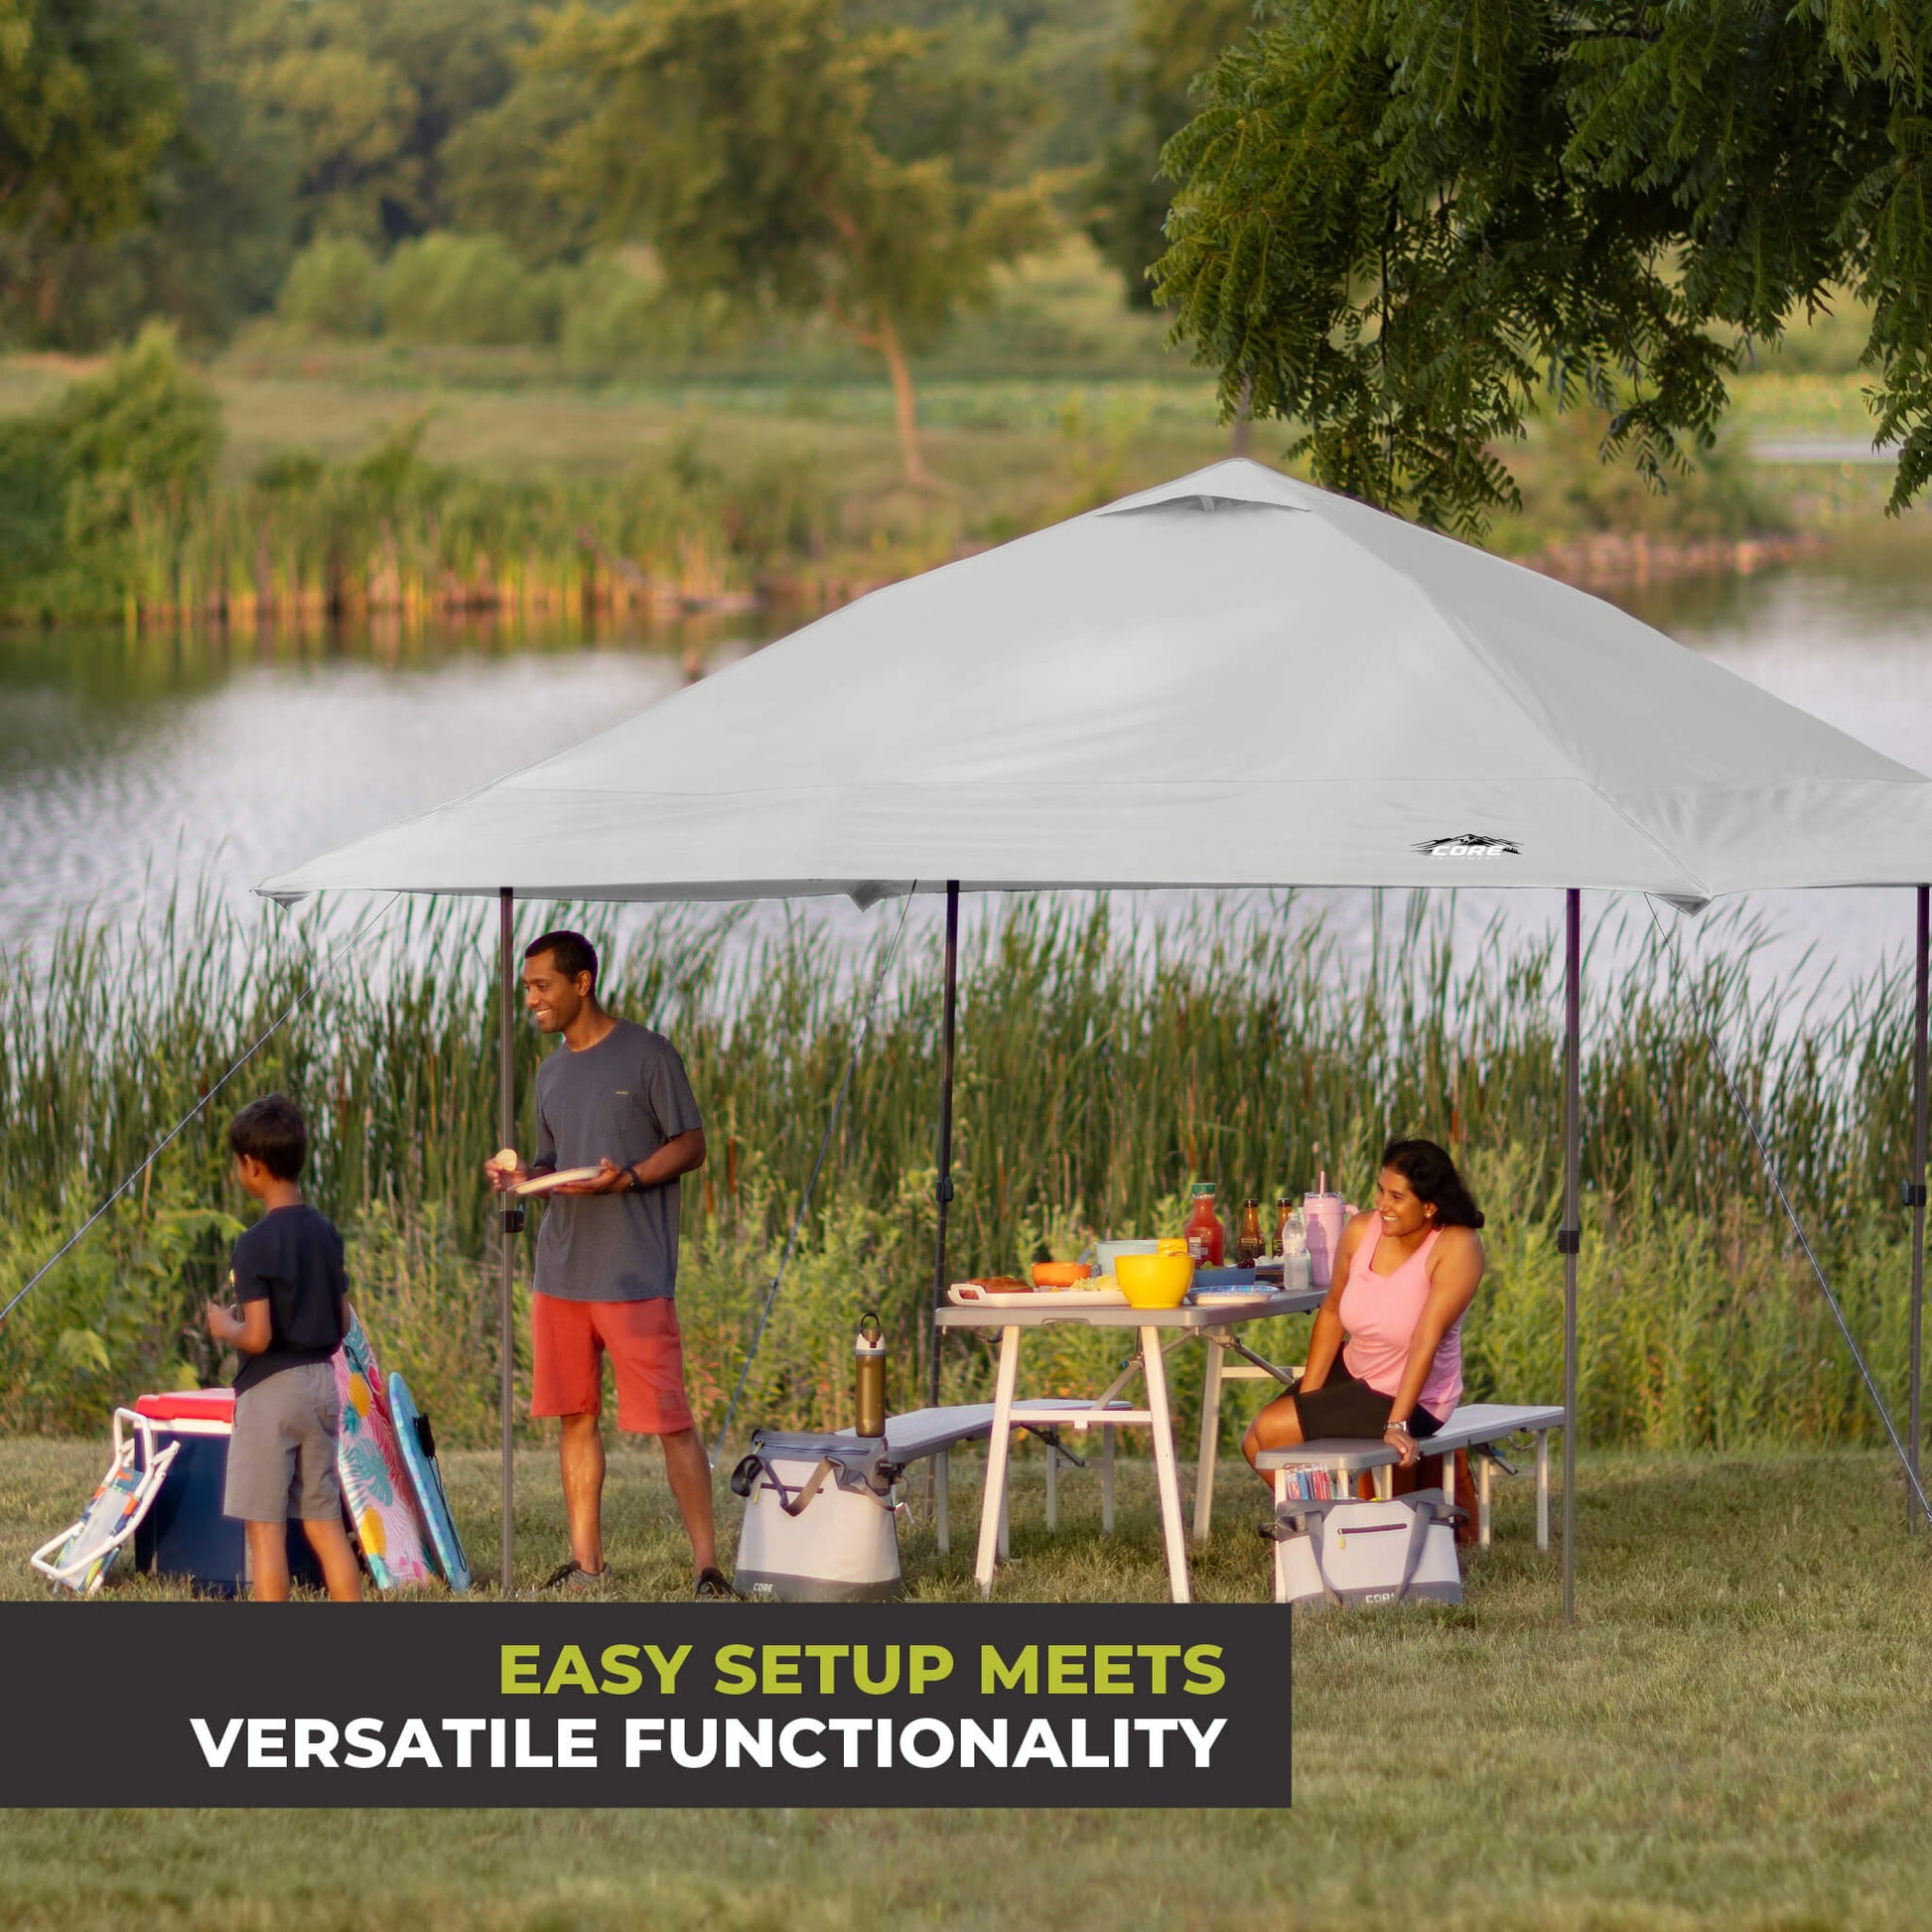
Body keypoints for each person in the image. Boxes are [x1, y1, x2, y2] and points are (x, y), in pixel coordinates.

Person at [485, 928, 734, 1599]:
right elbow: (548, 1161)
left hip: (632, 1274)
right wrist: (519, 1180)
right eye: (526, 987)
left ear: (582, 982)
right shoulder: (550, 1070)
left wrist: (628, 1178)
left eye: (541, 986)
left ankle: (708, 1567)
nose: (530, 999)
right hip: (560, 1274)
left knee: (670, 1420)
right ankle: (587, 1564)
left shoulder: (648, 1054)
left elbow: (692, 1144)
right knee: (575, 1417)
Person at [1243, 1138, 1485, 1475]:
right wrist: (1310, 1400)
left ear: (1429, 1206)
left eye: (1397, 1197)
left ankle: (1326, 1523)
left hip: (1412, 1397)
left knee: (1271, 1428)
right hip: (1356, 1370)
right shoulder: (1360, 1229)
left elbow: (1426, 1337)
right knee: (1253, 1443)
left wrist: (1397, 1423)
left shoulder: (1458, 1246)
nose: (1382, 1204)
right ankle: (1316, 1522)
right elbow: (1330, 1313)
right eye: (1381, 1190)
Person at [204, 1093, 362, 1602]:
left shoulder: (252, 1244)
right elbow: (342, 1320)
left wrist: (223, 1325)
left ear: (253, 1167)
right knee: (324, 1525)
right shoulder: (326, 1232)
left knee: (265, 1531)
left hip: (270, 1392)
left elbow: (258, 1336)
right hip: (323, 1385)